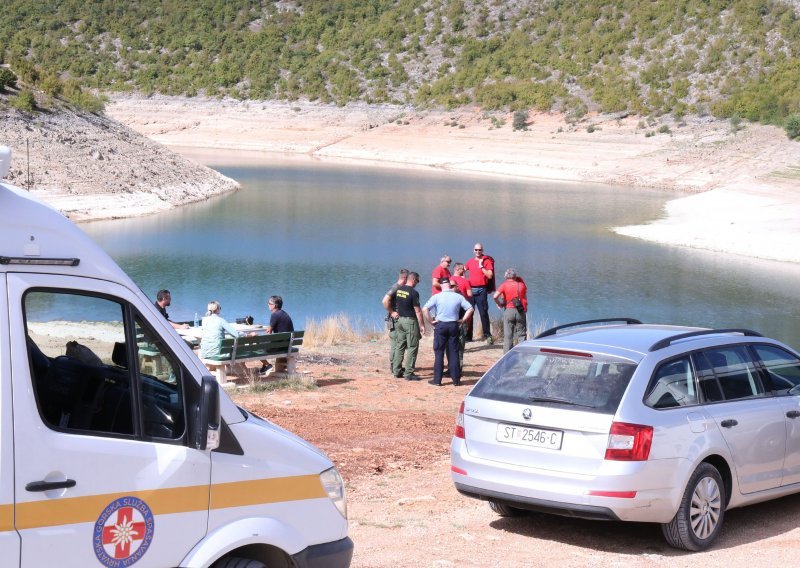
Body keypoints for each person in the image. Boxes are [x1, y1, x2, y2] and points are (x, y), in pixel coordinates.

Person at [422, 278, 474, 386]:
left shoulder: (437, 296)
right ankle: (456, 380)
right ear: (450, 286)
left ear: (441, 286)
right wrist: (463, 320)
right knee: (454, 352)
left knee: (439, 352)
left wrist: (431, 321)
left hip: (441, 325)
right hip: (453, 325)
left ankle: (437, 380)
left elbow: (425, 309)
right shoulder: (458, 296)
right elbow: (470, 308)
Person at [390, 272, 425, 380]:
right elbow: (418, 310)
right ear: (413, 279)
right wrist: (422, 325)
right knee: (412, 346)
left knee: (400, 345)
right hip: (410, 321)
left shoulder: (399, 290)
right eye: (417, 281)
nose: (417, 283)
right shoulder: (414, 293)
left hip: (399, 321)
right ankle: (409, 373)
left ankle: (396, 370)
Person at [464, 243, 494, 343]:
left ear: (482, 250)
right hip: (471, 290)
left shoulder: (486, 261)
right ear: (473, 250)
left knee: (483, 313)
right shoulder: (470, 261)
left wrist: (481, 267)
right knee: (469, 313)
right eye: (476, 250)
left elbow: (490, 275)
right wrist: (463, 279)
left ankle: (487, 336)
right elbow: (462, 270)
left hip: (482, 290)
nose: (478, 251)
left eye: (479, 250)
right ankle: (468, 336)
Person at [493, 268, 528, 353]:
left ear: (506, 276)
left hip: (508, 310)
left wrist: (499, 303)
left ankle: (507, 355)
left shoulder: (504, 285)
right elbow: (525, 297)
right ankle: (522, 353)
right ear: (515, 276)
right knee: (521, 334)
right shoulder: (521, 285)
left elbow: (495, 296)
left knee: (508, 335)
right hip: (520, 311)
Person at [382, 268, 409, 373]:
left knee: (398, 343)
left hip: (397, 319)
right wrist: (392, 312)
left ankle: (395, 365)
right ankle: (394, 366)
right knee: (397, 343)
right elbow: (384, 301)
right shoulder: (396, 287)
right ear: (405, 278)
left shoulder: (400, 287)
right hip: (395, 320)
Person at [450, 262, 473, 368]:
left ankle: (450, 366)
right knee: (460, 342)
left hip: (449, 315)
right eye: (463, 269)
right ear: (458, 269)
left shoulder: (448, 280)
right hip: (461, 314)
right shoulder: (465, 281)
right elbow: (470, 295)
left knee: (450, 342)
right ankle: (458, 366)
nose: (464, 270)